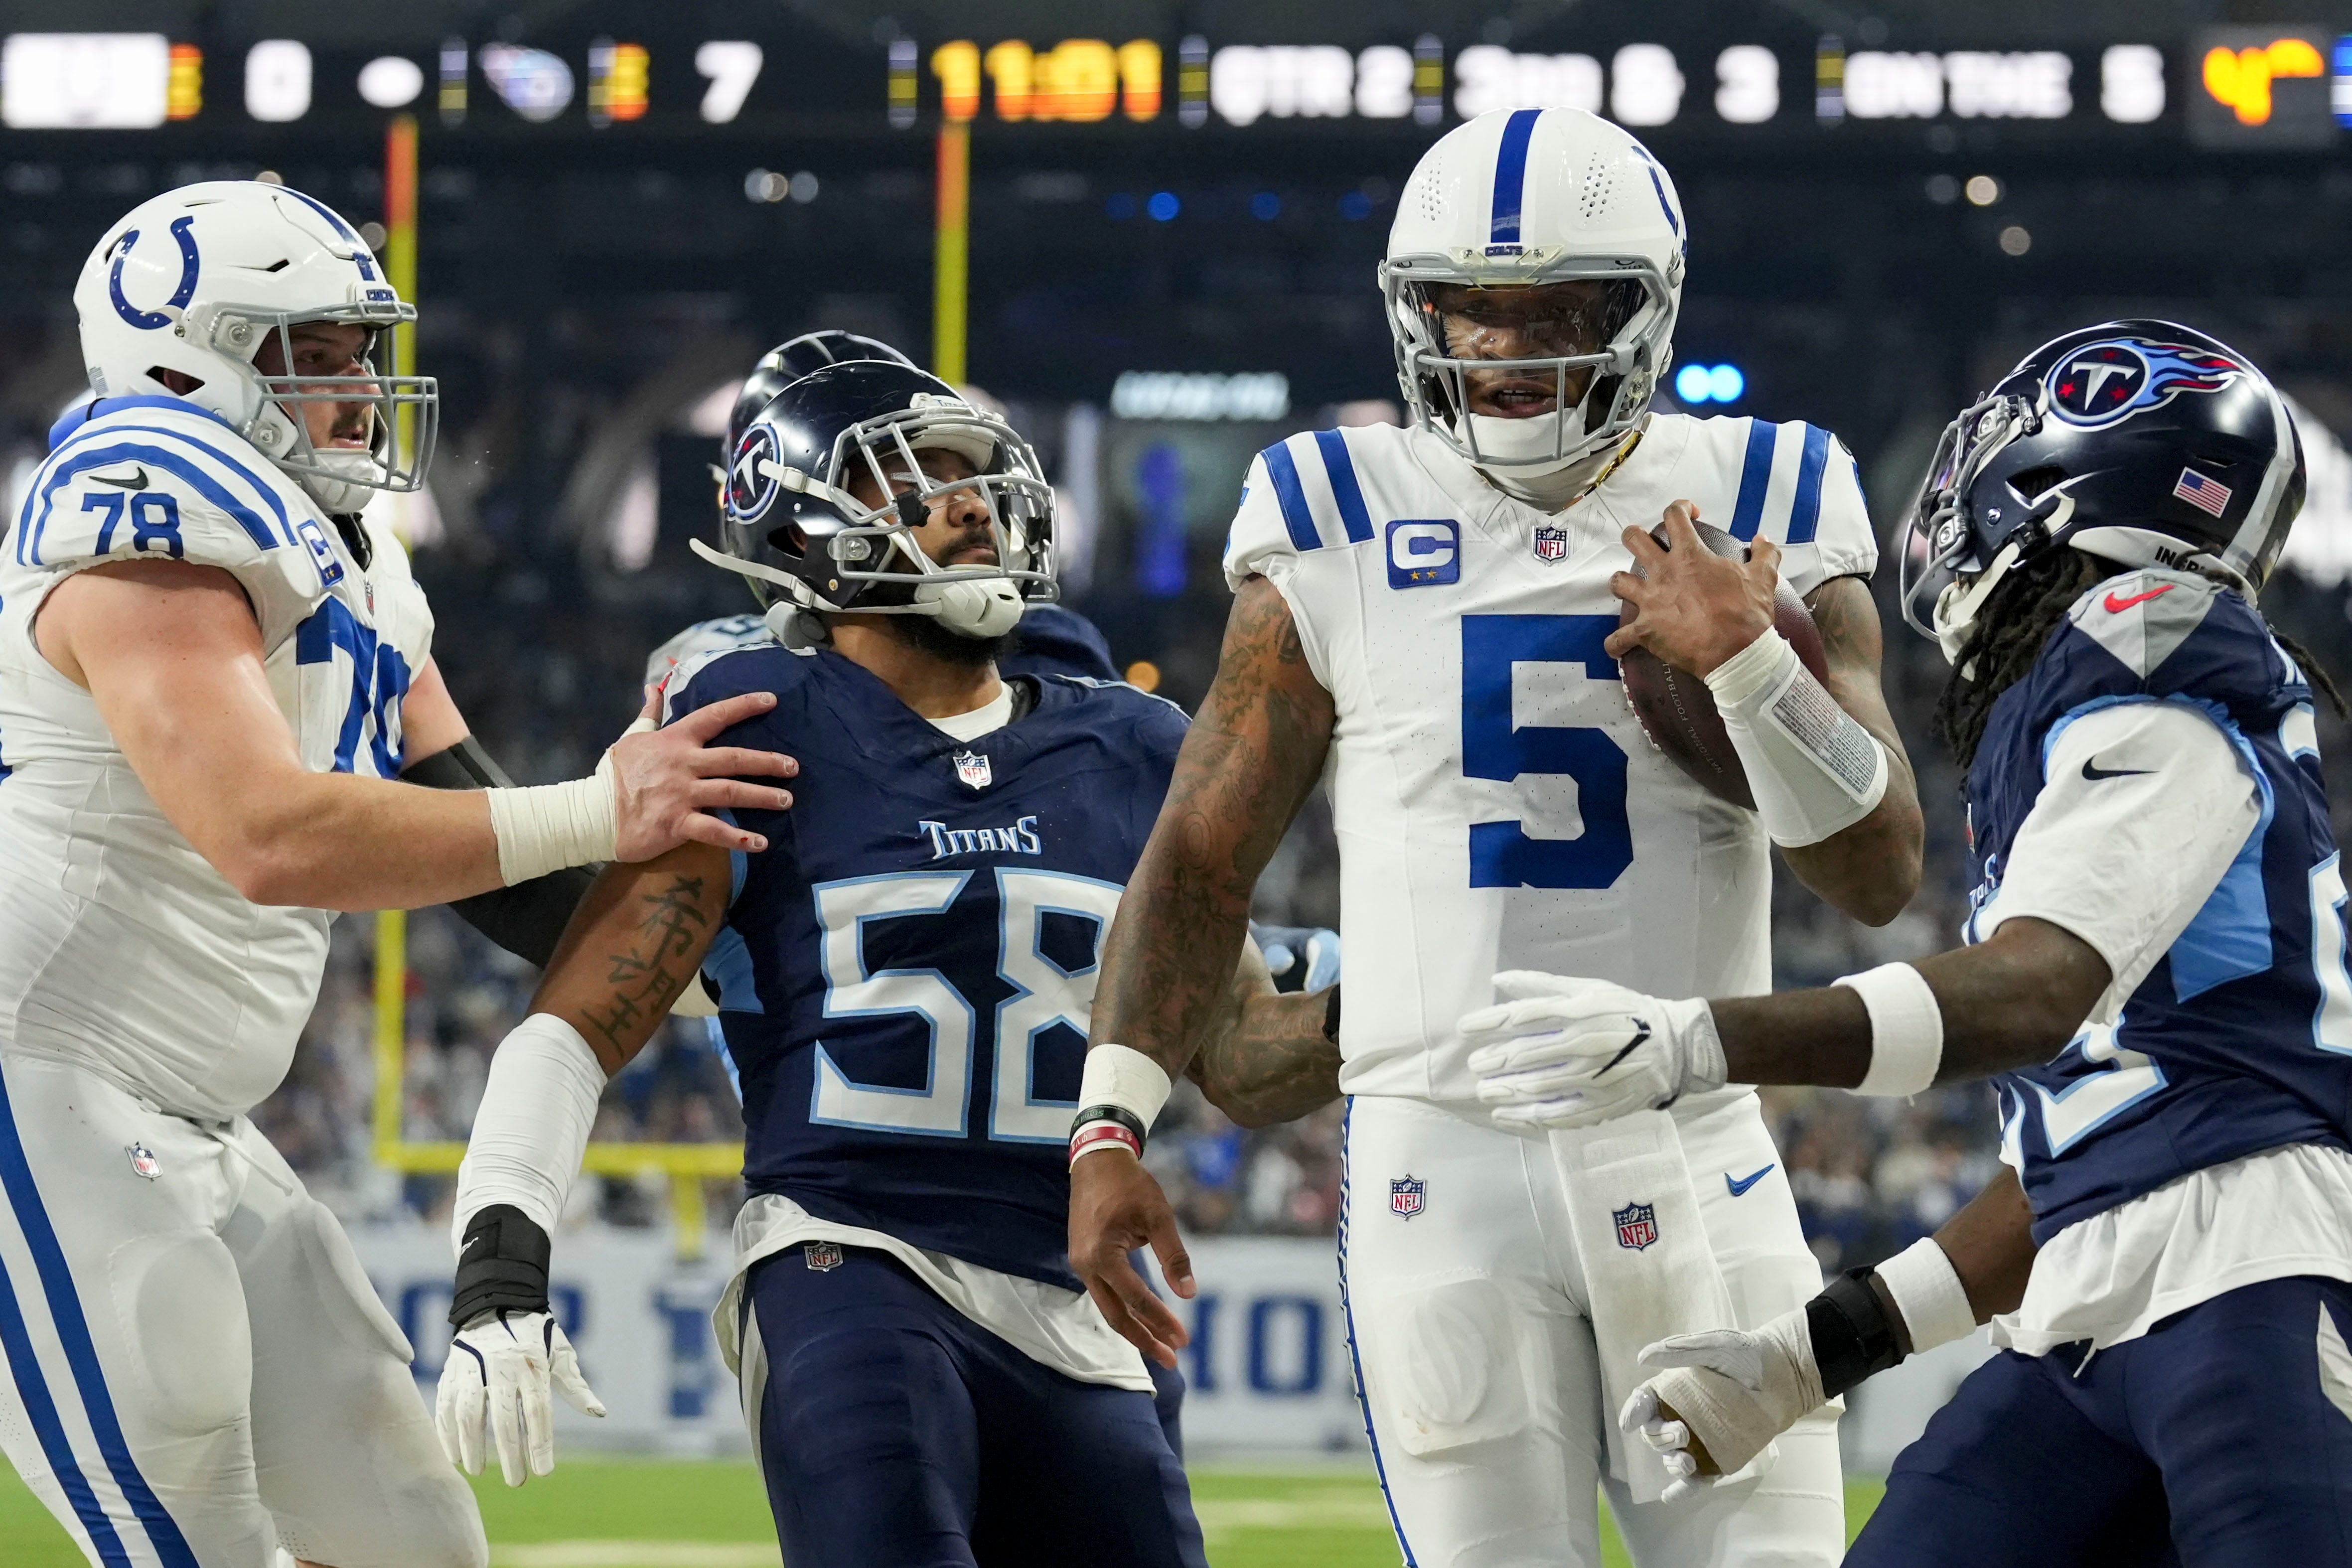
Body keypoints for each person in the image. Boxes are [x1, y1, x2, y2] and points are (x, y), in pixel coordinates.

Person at [1065, 106, 1925, 1568]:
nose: (1509, 349)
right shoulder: (1332, 507)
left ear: (1641, 314)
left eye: (1555, 313)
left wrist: (1752, 665)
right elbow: (1203, 851)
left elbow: (1879, 867)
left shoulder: (1772, 487)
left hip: (1691, 1130)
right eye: (1472, 310)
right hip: (1435, 1161)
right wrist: (1107, 1120)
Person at [1468, 321, 2352, 1567]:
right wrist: (1798, 1358)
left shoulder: (2161, 667)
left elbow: (2031, 996)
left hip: (2265, 1277)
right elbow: (2081, 1176)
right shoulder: (2084, 715)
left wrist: (1697, 1039)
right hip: (2084, 1317)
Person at [430, 362, 1340, 1567]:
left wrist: (1404, 1003)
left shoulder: (1132, 745)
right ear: (801, 518)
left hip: (1074, 1292)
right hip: (848, 1247)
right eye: (915, 480)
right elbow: (574, 1024)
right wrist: (500, 1257)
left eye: (974, 475)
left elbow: (1241, 1056)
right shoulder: (753, 719)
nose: (965, 502)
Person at [0, 183, 789, 1568]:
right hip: (36, 1074)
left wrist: (741, 960)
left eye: (362, 348)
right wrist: (602, 803)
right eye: (317, 352)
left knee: (409, 1531)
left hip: (193, 1111)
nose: (362, 387)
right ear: (187, 357)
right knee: (190, 1511)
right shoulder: (139, 499)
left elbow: (493, 863)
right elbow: (268, 835)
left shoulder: (361, 570)